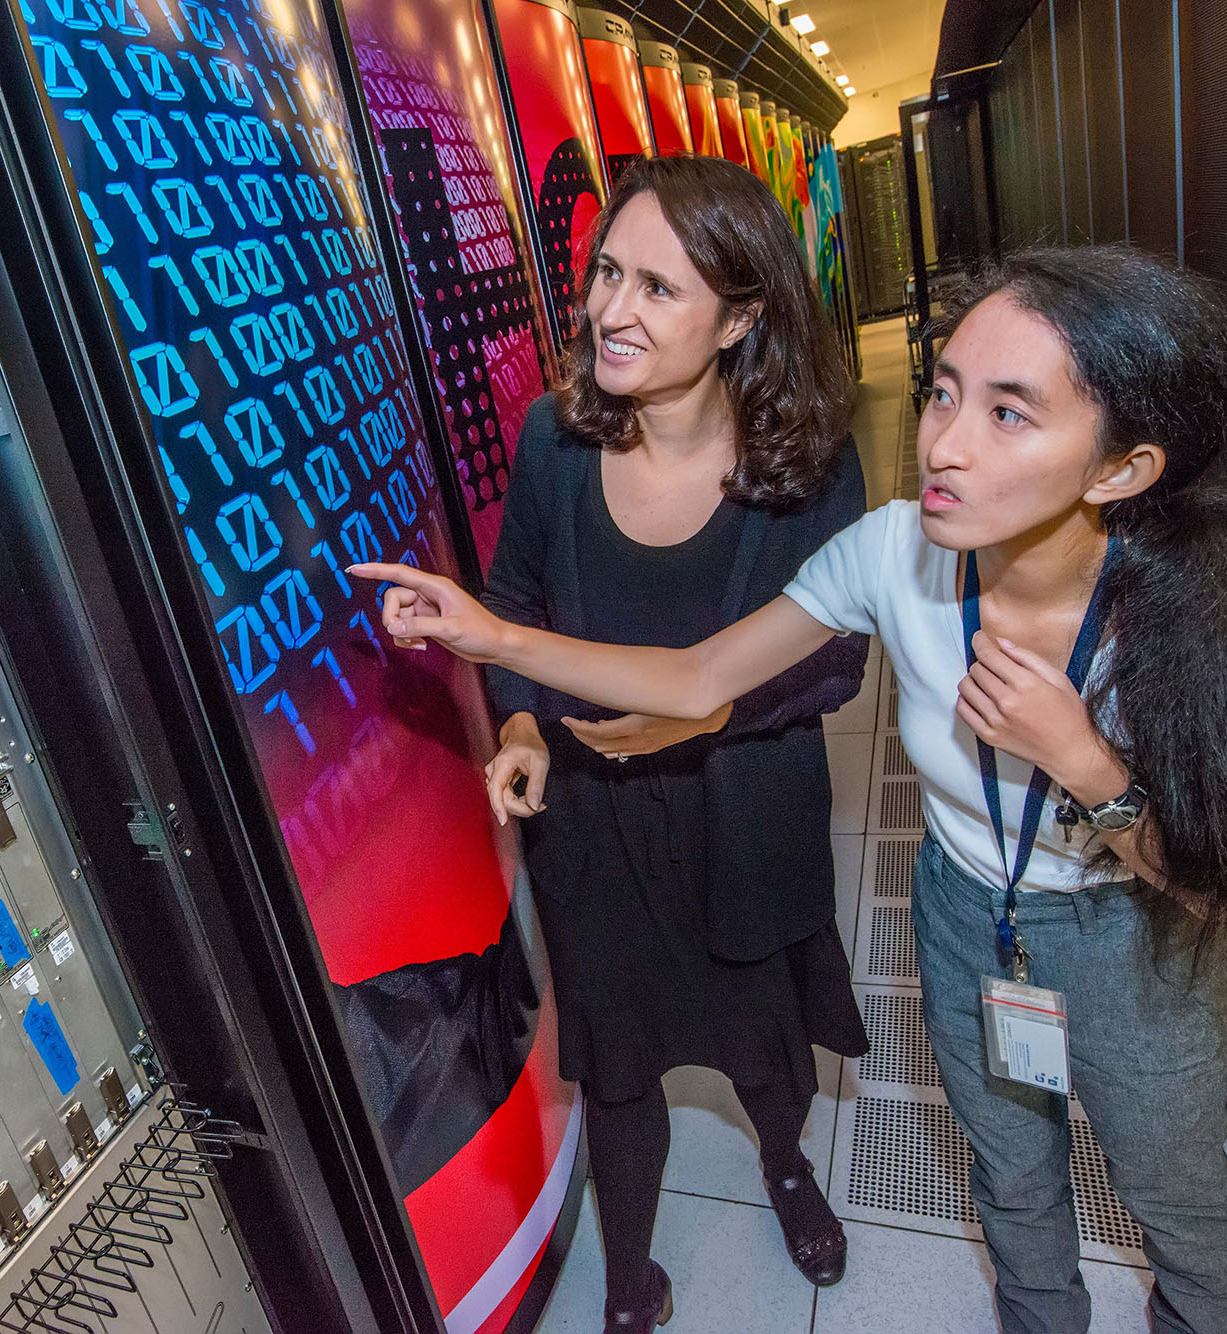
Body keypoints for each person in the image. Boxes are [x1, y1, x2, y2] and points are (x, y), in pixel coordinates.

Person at [355, 245, 1227, 1334]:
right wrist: (492, 634)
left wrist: (1083, 761)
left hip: (1132, 935)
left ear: (1118, 469)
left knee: (1168, 1190)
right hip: (960, 912)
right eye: (943, 391)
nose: (938, 440)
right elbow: (702, 673)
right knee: (1007, 1176)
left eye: (1007, 413)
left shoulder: (1222, 634)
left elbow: (1221, 896)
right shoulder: (897, 550)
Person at [479, 155, 868, 1329]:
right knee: (620, 1064)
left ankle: (785, 1165)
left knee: (761, 1048)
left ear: (740, 316)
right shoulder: (553, 442)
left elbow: (833, 660)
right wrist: (519, 725)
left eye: (655, 286)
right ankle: (629, 1269)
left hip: (742, 809)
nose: (607, 308)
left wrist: (700, 713)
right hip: (592, 823)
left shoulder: (805, 466)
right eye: (606, 272)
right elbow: (514, 602)